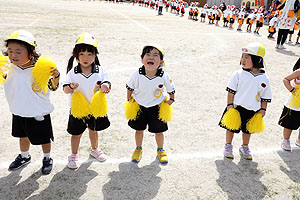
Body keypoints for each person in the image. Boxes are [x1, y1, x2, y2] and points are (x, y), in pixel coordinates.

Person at [2, 30, 60, 174]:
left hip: (37, 111)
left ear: (31, 51)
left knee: (44, 138)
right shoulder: (7, 67)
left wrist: (56, 76)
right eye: (10, 51)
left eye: (18, 51)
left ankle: (47, 158)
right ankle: (24, 156)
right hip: (18, 109)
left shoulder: (39, 69)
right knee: (22, 135)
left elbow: (52, 87)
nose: (13, 55)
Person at [63, 32, 111, 169]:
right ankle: (73, 155)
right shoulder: (73, 72)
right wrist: (71, 87)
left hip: (94, 108)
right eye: (82, 54)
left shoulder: (100, 71)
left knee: (93, 130)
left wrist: (105, 86)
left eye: (89, 54)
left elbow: (107, 83)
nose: (86, 58)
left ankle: (94, 150)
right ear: (76, 55)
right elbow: (65, 89)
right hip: (78, 109)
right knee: (76, 133)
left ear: (95, 55)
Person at [219, 42, 272, 160]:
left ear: (257, 60)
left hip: (253, 110)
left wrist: (263, 109)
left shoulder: (264, 78)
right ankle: (228, 146)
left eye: (246, 57)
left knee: (248, 131)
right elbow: (231, 91)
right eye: (242, 56)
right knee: (230, 128)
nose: (242, 60)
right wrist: (229, 105)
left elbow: (265, 96)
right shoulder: (238, 74)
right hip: (236, 108)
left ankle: (245, 147)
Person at [126, 44, 175, 164]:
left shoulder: (163, 75)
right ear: (142, 59)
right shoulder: (137, 73)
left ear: (161, 61)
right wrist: (129, 99)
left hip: (157, 107)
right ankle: (138, 149)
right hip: (139, 106)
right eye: (147, 54)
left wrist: (171, 100)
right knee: (139, 130)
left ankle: (160, 150)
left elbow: (171, 89)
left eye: (155, 55)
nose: (151, 57)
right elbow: (129, 87)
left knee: (159, 131)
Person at [278, 58, 300, 151]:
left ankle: (299, 139)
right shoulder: (299, 71)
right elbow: (286, 79)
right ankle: (286, 140)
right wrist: (291, 89)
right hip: (295, 103)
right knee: (289, 123)